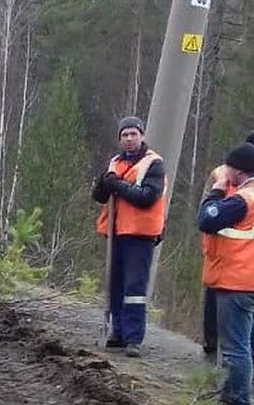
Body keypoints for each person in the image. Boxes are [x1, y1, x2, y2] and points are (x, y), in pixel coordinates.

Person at [92, 116, 167, 358]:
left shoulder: (153, 164)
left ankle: (134, 338)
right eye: (124, 135)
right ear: (119, 138)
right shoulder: (114, 163)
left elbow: (147, 197)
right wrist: (107, 182)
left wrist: (117, 185)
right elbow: (99, 195)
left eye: (133, 134)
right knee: (115, 285)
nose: (129, 138)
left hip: (139, 235)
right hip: (116, 233)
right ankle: (118, 332)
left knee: (134, 288)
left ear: (142, 136)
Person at [197, 143, 254, 405]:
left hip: (237, 282)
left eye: (228, 166)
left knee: (235, 349)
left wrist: (218, 186)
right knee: (241, 346)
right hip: (245, 280)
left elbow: (208, 219)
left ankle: (236, 399)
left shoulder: (243, 200)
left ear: (238, 170)